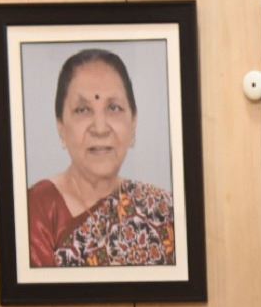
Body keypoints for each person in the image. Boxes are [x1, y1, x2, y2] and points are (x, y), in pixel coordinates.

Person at [26, 49, 175, 268]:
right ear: (61, 128)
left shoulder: (163, 211)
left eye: (114, 108)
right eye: (83, 110)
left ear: (133, 124)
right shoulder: (36, 211)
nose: (100, 128)